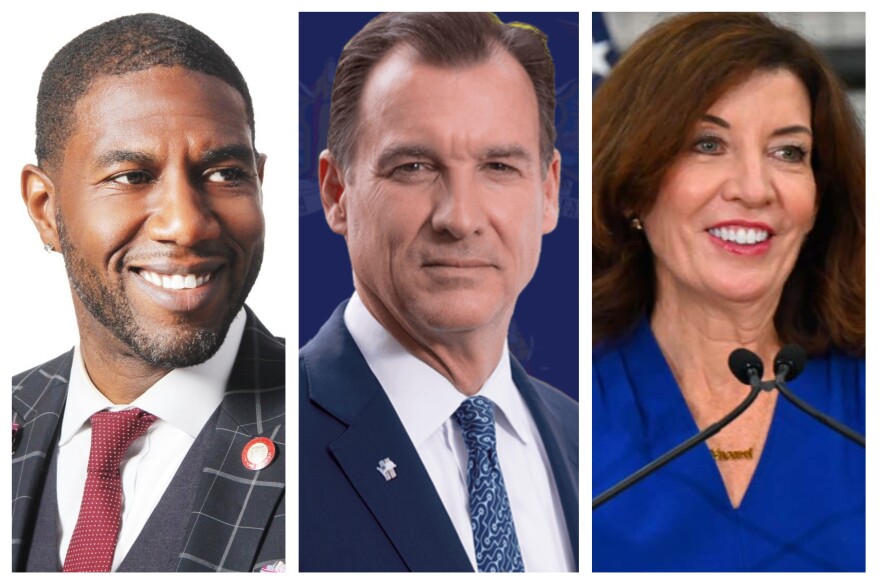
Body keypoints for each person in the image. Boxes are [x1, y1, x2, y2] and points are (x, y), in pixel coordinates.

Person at [299, 12, 578, 572]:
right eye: (414, 166)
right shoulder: (278, 435)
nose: (460, 217)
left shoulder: (581, 437)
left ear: (548, 193)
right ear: (336, 193)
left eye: (498, 166)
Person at [11, 13, 285, 573]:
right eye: (131, 176)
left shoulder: (324, 431)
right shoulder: (14, 413)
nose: (186, 225)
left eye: (225, 173)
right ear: (46, 210)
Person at [593, 12, 865, 571]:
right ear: (632, 189)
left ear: (819, 198)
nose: (753, 189)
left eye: (788, 152)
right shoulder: (554, 395)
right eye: (708, 144)